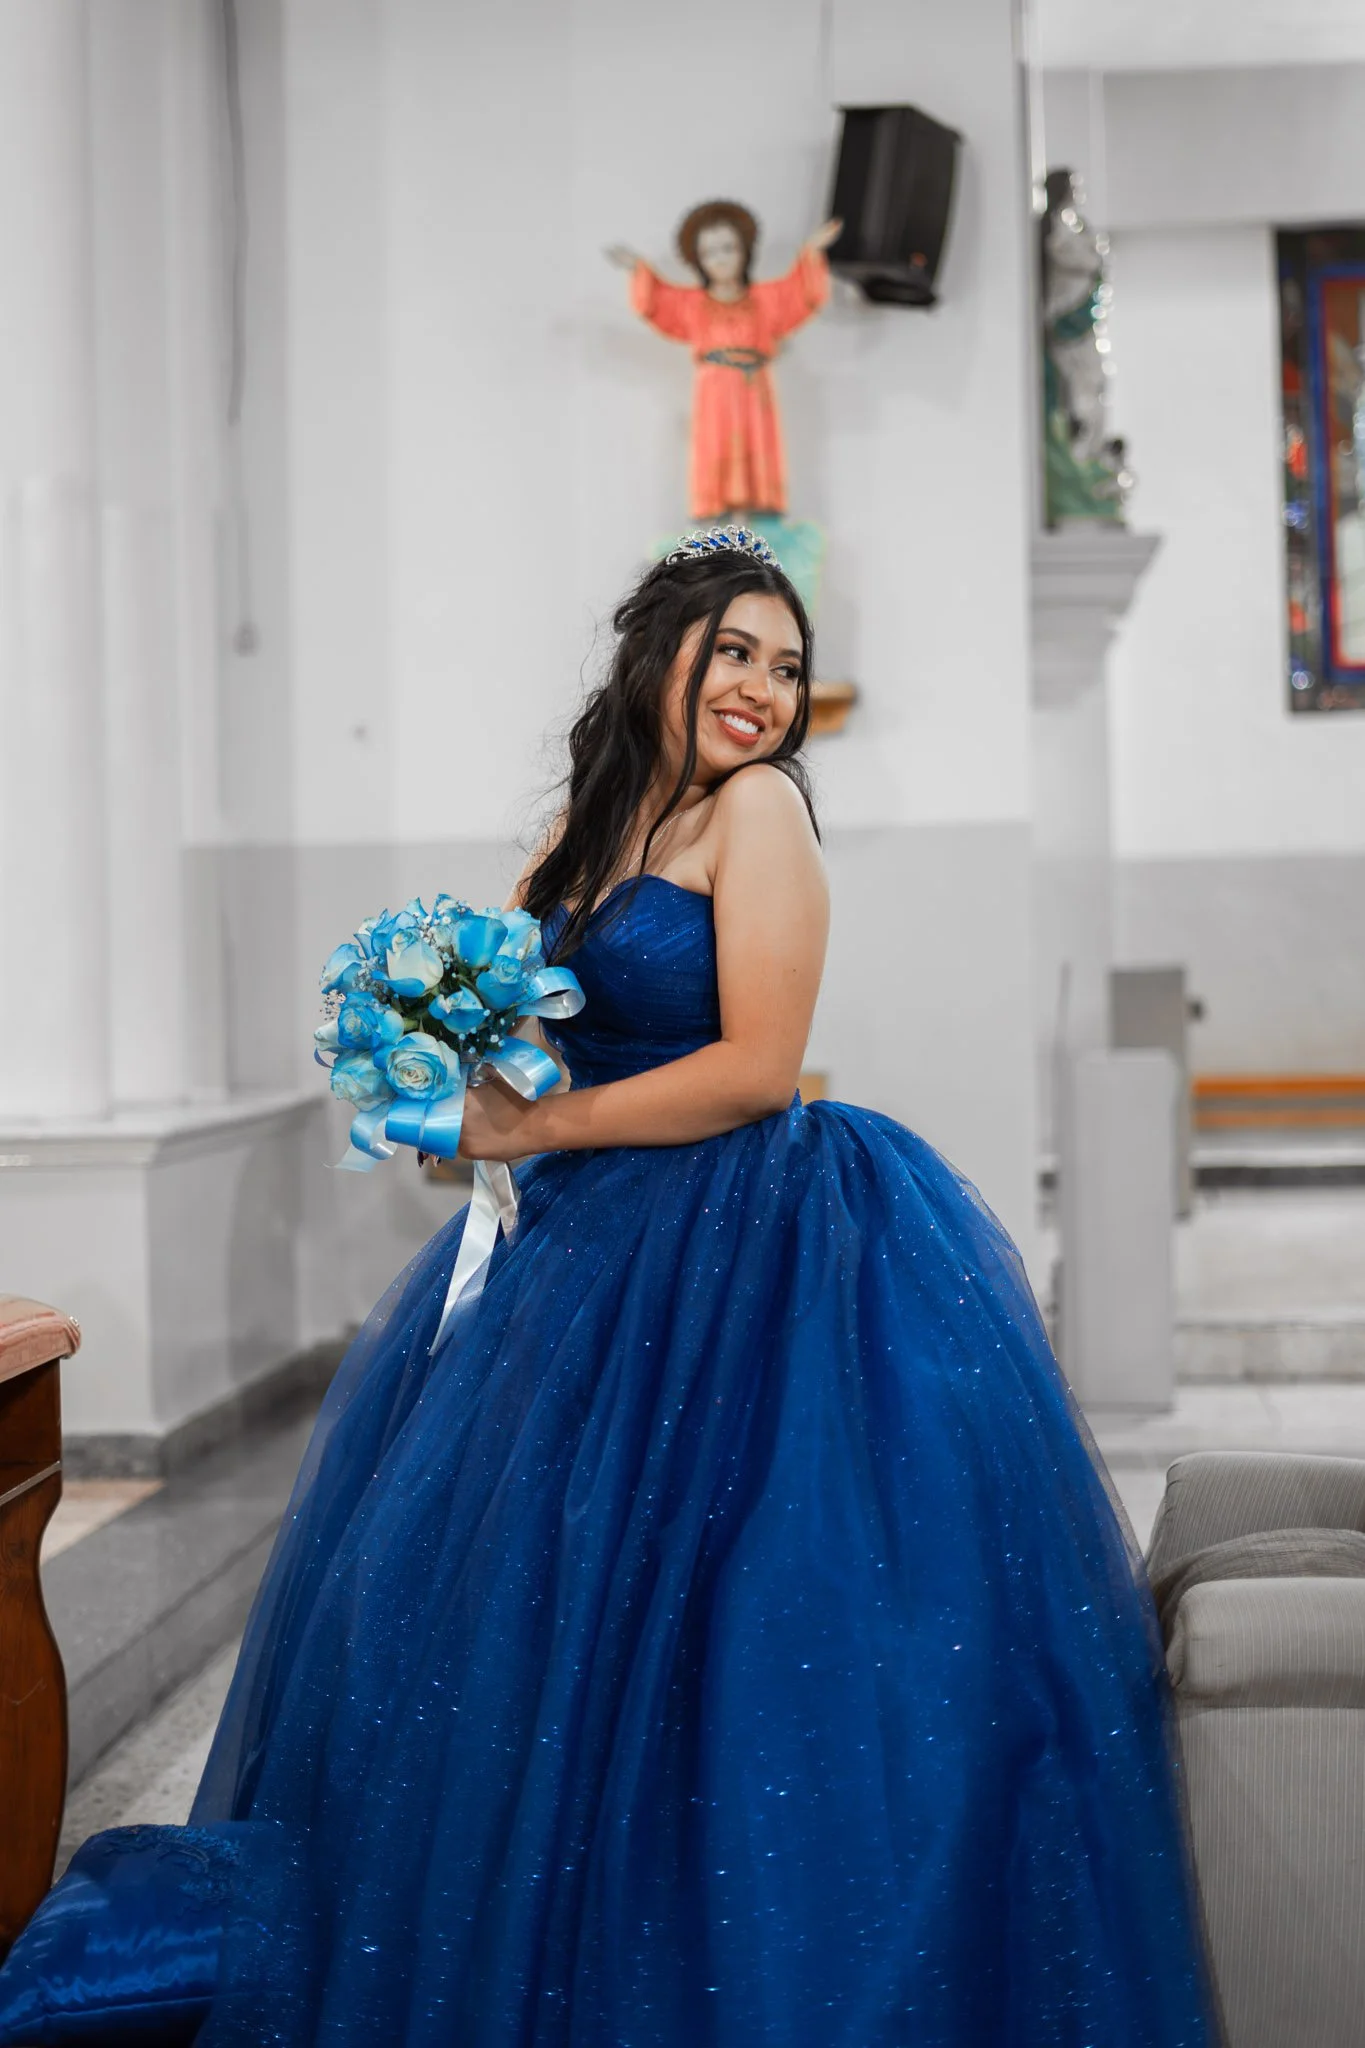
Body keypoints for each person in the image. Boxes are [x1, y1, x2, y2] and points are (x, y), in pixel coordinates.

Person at [7, 530, 1214, 2047]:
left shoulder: (760, 811)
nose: (763, 689)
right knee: (499, 1608)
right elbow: (520, 1040)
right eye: (736, 652)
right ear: (660, 653)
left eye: (787, 666)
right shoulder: (578, 835)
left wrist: (541, 1123)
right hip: (579, 1245)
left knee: (733, 1602)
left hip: (748, 1234)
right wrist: (437, 1071)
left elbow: (758, 1069)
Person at [608, 202, 840, 521]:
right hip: (714, 389)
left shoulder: (766, 299)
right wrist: (637, 269)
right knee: (715, 449)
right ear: (698, 260)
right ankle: (719, 522)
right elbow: (657, 301)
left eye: (728, 248)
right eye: (709, 252)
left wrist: (811, 251)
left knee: (757, 449)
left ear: (745, 251)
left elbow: (801, 293)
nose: (720, 259)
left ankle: (755, 521)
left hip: (755, 388)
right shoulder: (692, 304)